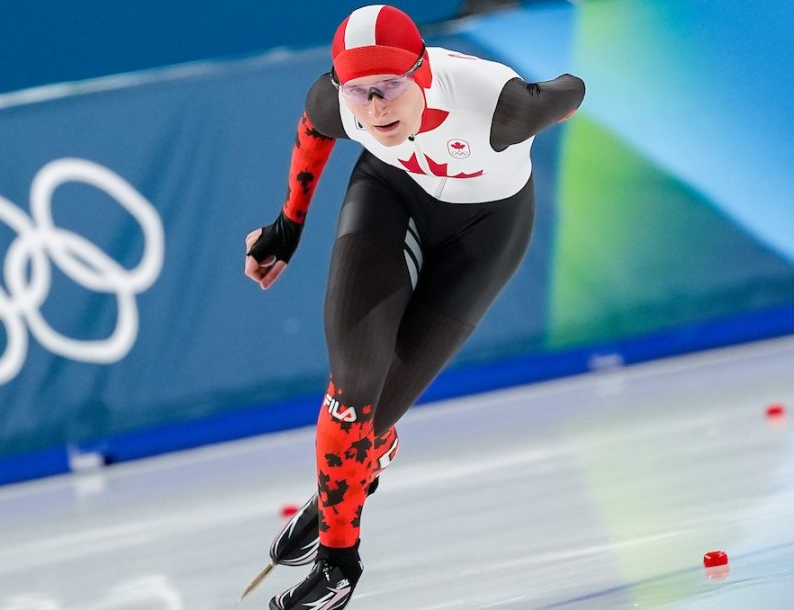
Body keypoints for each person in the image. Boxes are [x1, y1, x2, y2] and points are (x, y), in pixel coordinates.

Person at [243, 4, 585, 609]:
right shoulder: (338, 103)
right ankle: (338, 562)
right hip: (392, 195)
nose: (375, 109)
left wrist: (545, 93)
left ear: (423, 72)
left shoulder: (501, 108)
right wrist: (286, 229)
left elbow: (572, 90)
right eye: (361, 93)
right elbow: (313, 131)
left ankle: (334, 494)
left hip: (486, 233)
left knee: (371, 424)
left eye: (390, 89)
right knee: (351, 392)